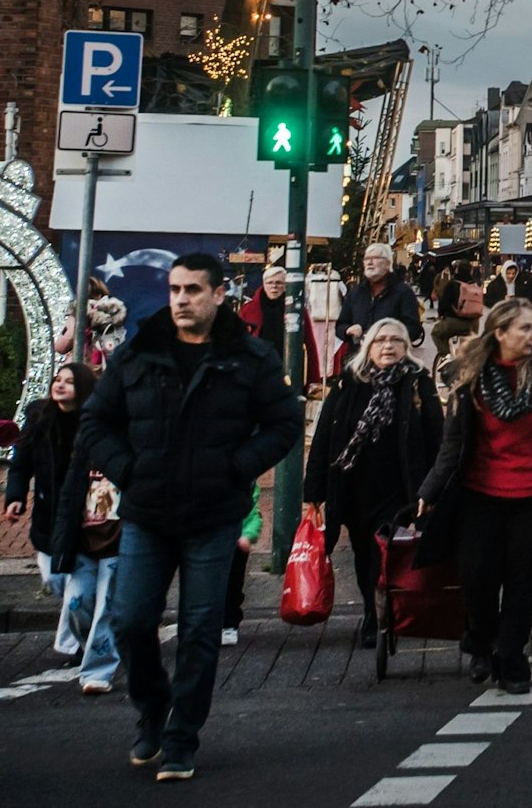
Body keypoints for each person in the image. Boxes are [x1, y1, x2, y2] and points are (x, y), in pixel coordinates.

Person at [81, 253, 303, 782]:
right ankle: (154, 711)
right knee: (130, 621)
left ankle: (181, 738)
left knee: (201, 630)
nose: (181, 299)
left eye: (193, 290)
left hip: (214, 513)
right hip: (147, 513)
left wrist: (239, 468)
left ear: (218, 294)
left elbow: (283, 422)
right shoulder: (139, 352)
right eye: (175, 289)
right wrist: (127, 471)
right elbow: (95, 421)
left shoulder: (250, 357)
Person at [414, 298, 532, 695]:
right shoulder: (470, 374)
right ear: (500, 333)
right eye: (524, 328)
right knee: (477, 577)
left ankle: (511, 659)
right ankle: (481, 640)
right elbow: (452, 441)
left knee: (523, 581)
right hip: (481, 495)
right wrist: (430, 488)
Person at [303, 318, 440, 648]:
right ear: (368, 346)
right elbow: (325, 438)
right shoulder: (348, 384)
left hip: (399, 486)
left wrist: (433, 488)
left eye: (396, 341)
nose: (388, 346)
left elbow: (438, 437)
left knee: (386, 553)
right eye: (381, 341)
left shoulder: (418, 383)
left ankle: (379, 617)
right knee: (364, 554)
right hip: (352, 486)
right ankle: (371, 607)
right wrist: (314, 493)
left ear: (407, 348)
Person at [4, 362, 118, 691]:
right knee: (65, 590)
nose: (60, 385)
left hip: (101, 525)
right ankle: (89, 643)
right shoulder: (40, 418)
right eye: (58, 379)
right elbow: (20, 461)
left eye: (69, 382)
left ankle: (96, 665)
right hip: (53, 518)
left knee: (100, 600)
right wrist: (15, 496)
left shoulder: (98, 424)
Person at [339, 243, 425, 355]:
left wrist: (389, 336)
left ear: (387, 263)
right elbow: (340, 324)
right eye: (366, 259)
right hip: (357, 361)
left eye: (375, 258)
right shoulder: (356, 293)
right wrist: (347, 330)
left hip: (391, 360)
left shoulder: (403, 292)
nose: (369, 263)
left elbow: (414, 329)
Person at [219, 485, 261, 647]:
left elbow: (254, 517)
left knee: (233, 585)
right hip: (220, 539)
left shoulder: (246, 493)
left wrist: (248, 535)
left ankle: (229, 624)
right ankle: (221, 623)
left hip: (237, 543)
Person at [433, 261, 485, 351]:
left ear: (457, 270)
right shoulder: (476, 285)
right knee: (470, 344)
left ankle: (446, 356)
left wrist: (440, 314)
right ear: (471, 271)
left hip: (453, 322)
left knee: (436, 333)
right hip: (473, 323)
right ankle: (468, 358)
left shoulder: (452, 284)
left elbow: (443, 303)